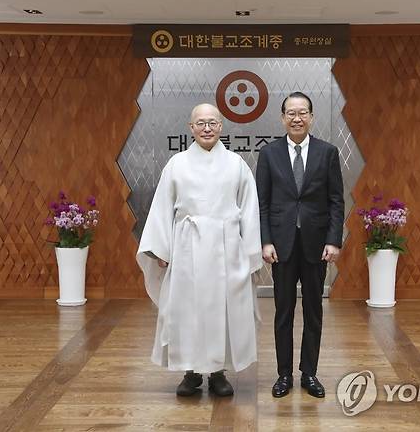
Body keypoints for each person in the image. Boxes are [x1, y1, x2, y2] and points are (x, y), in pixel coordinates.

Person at [137, 103, 262, 397]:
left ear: (221, 127)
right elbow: (162, 208)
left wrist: (250, 251)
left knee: (223, 308)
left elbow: (250, 209)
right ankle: (190, 372)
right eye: (201, 123)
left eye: (213, 123)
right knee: (185, 309)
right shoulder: (176, 164)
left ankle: (218, 372)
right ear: (191, 127)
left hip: (227, 247)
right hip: (187, 248)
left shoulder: (236, 164)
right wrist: (161, 250)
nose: (207, 128)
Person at [256, 92, 344, 398]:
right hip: (280, 247)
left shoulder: (327, 152)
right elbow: (262, 204)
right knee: (283, 312)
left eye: (302, 113)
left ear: (311, 117)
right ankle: (283, 375)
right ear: (282, 118)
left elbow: (336, 201)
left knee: (313, 311)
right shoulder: (269, 154)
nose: (297, 118)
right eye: (291, 113)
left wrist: (334, 240)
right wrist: (265, 240)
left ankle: (309, 373)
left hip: (316, 245)